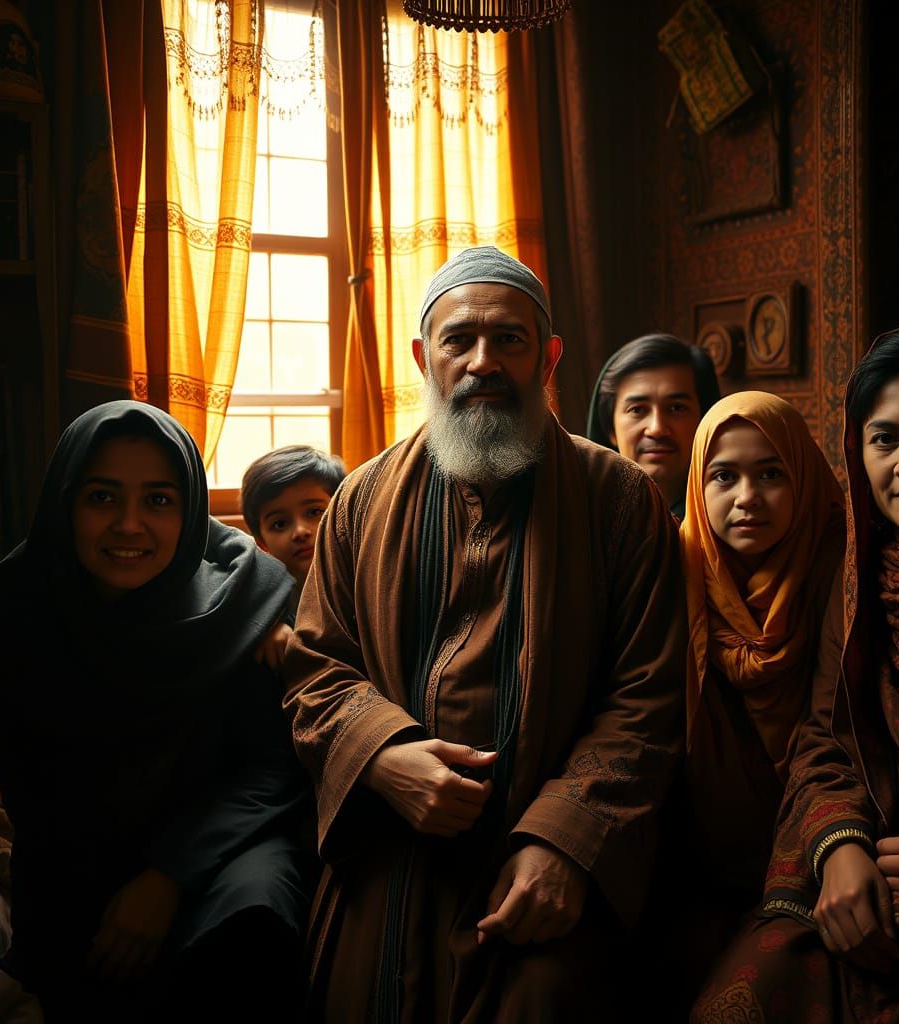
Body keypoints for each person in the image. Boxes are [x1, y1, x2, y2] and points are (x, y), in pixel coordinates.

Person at [285, 246, 686, 1021]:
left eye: (508, 339)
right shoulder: (361, 501)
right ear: (422, 359)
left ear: (549, 357)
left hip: (538, 868)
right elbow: (316, 670)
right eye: (459, 340)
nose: (482, 362)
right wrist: (382, 757)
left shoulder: (619, 502)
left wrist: (565, 842)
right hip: (390, 852)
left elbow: (648, 698)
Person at [0, 401, 311, 1022]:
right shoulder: (18, 614)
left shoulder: (240, 611)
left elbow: (269, 769)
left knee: (255, 918)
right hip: (78, 848)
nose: (129, 525)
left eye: (158, 500)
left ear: (190, 512)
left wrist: (169, 876)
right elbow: (36, 795)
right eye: (102, 497)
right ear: (65, 504)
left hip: (224, 840)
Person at [693, 326, 899, 1023]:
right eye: (885, 438)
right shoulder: (861, 578)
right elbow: (826, 737)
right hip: (869, 887)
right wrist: (839, 847)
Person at [672, 391, 844, 1007]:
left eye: (771, 474)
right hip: (695, 862)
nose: (747, 497)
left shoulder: (841, 572)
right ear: (698, 486)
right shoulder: (671, 571)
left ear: (803, 477)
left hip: (822, 857)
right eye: (723, 476)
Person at [586, 333, 721, 518]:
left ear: (704, 419)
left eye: (677, 408)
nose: (657, 429)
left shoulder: (734, 522)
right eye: (637, 410)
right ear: (610, 429)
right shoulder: (582, 521)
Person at [241, 444, 346, 613]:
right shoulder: (265, 609)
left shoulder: (367, 581)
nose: (300, 532)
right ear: (261, 543)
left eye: (314, 512)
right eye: (280, 524)